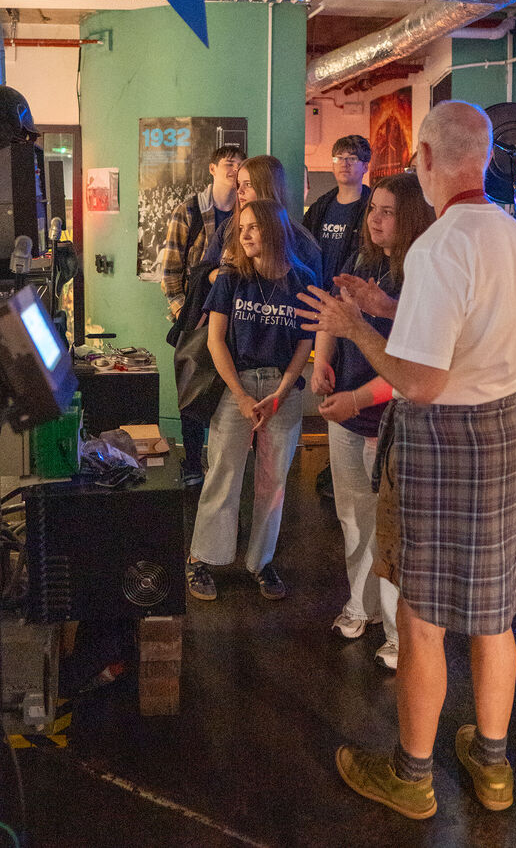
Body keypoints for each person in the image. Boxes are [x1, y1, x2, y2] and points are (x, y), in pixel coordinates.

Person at [297, 101, 516, 820]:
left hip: (443, 442)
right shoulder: (514, 235)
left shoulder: (440, 245)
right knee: (493, 617)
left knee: (423, 621)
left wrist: (349, 326)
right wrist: (383, 304)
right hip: (505, 432)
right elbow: (465, 336)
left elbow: (421, 381)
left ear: (429, 160)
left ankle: (411, 775)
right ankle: (493, 768)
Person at [313, 175, 433, 670]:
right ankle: (358, 606)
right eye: (373, 210)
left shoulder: (421, 276)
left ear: (411, 219)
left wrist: (356, 400)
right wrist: (322, 361)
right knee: (354, 520)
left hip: (390, 420)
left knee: (393, 533)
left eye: (387, 211)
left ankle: (396, 632)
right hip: (347, 417)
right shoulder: (359, 263)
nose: (376, 219)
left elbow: (414, 367)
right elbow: (331, 317)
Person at [185, 199, 315, 602]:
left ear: (275, 230)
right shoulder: (231, 278)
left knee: (273, 482)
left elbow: (303, 347)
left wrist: (279, 393)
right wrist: (241, 397)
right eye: (241, 228)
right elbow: (215, 340)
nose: (244, 234)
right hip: (234, 385)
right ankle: (202, 559)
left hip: (282, 388)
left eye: (253, 227)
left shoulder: (304, 280)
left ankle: (262, 561)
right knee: (223, 472)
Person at [161, 144, 245, 486]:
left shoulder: (247, 212)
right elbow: (169, 271)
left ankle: (223, 468)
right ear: (212, 168)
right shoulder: (190, 210)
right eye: (228, 163)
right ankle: (193, 464)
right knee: (192, 391)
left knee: (228, 394)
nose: (234, 169)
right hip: (198, 320)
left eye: (240, 164)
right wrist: (188, 316)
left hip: (236, 322)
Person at [204, 155, 322, 286]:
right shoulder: (228, 228)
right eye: (238, 184)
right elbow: (203, 271)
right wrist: (225, 276)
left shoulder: (301, 240)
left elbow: (312, 291)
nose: (239, 191)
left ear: (268, 188)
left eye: (248, 184)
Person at [303, 134, 371, 290]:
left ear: (365, 167)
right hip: (316, 290)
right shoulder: (320, 207)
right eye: (339, 158)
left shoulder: (371, 210)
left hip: (351, 293)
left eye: (352, 158)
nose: (344, 164)